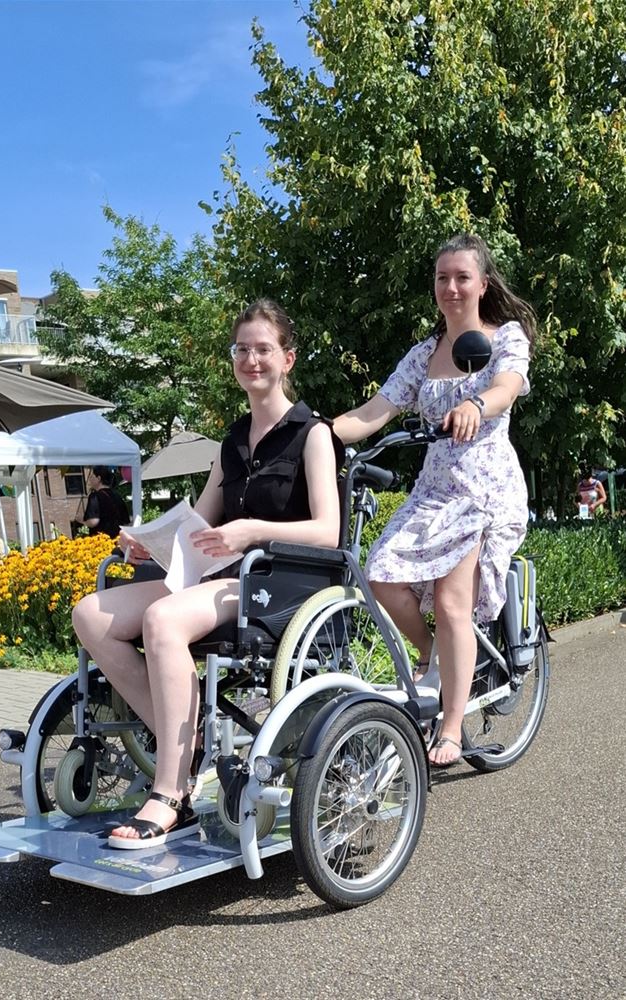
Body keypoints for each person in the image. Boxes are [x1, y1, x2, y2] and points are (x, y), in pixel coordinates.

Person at [72, 299, 343, 849]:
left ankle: (171, 792)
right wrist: (148, 543)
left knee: (163, 619)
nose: (251, 359)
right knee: (91, 615)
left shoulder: (312, 434)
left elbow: (328, 532)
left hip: (279, 582)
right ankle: (185, 735)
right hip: (225, 576)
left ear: (287, 359)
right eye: (242, 349)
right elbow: (199, 524)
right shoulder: (232, 442)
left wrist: (250, 532)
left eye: (263, 349)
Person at [333, 233, 536, 767]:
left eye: (462, 277)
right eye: (442, 278)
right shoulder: (424, 353)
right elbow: (375, 410)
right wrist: (315, 433)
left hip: (483, 488)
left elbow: (507, 385)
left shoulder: (504, 337)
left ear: (482, 284)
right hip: (434, 490)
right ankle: (434, 655)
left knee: (451, 603)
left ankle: (450, 726)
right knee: (379, 575)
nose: (451, 287)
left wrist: (477, 404)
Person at [79, 467, 131, 538]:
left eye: (92, 476)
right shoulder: (117, 496)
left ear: (98, 478)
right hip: (118, 539)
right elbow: (126, 522)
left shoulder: (95, 496)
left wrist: (82, 521)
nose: (89, 479)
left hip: (102, 540)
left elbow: (93, 521)